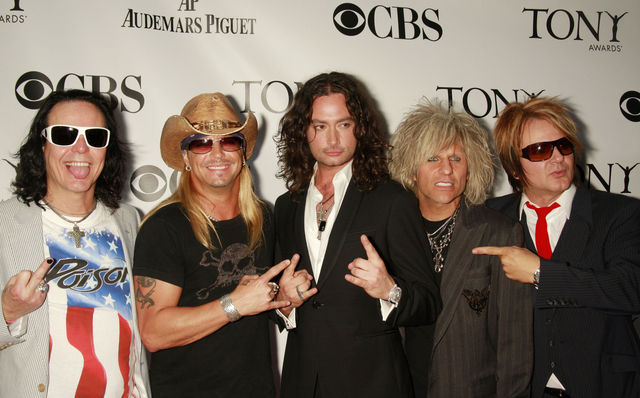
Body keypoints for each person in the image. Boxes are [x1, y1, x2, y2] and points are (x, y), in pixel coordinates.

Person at [273, 72, 441, 398]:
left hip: (373, 384)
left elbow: (428, 302)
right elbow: (283, 301)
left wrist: (389, 290)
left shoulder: (392, 200)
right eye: (320, 126)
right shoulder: (285, 207)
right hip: (302, 383)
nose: (333, 139)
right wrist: (284, 304)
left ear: (360, 128)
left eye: (344, 124)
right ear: (302, 132)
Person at [474, 96, 640, 397]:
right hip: (520, 387)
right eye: (539, 150)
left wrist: (541, 273)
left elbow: (630, 289)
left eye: (563, 145)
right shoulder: (489, 219)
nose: (557, 158)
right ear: (514, 167)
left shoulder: (619, 214)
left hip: (604, 384)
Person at [132, 92, 290, 398]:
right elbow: (153, 332)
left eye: (229, 141)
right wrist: (234, 305)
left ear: (243, 152)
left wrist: (288, 296)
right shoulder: (164, 227)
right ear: (187, 157)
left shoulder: (262, 219)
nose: (217, 153)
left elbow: (262, 302)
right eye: (201, 143)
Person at [0, 89, 149, 397]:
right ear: (42, 145)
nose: (81, 148)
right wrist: (8, 309)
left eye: (95, 136)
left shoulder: (128, 220)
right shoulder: (5, 224)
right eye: (65, 134)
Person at [390, 101, 532, 397]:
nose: (446, 169)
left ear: (470, 169)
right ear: (411, 169)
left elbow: (514, 344)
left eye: (456, 158)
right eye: (432, 158)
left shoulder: (499, 232)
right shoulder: (389, 230)